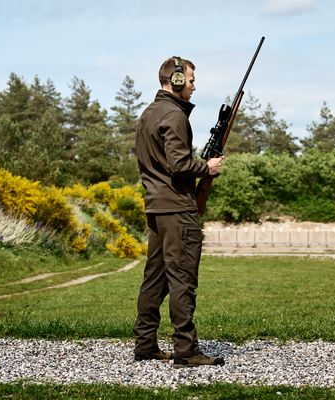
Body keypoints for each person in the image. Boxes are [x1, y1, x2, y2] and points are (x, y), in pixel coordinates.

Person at [133, 55, 224, 366]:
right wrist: (207, 167)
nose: (194, 86)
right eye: (191, 80)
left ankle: (145, 344)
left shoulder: (148, 113)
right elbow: (179, 164)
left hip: (157, 208)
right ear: (177, 80)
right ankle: (186, 350)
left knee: (154, 279)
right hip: (177, 210)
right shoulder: (174, 115)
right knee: (182, 278)